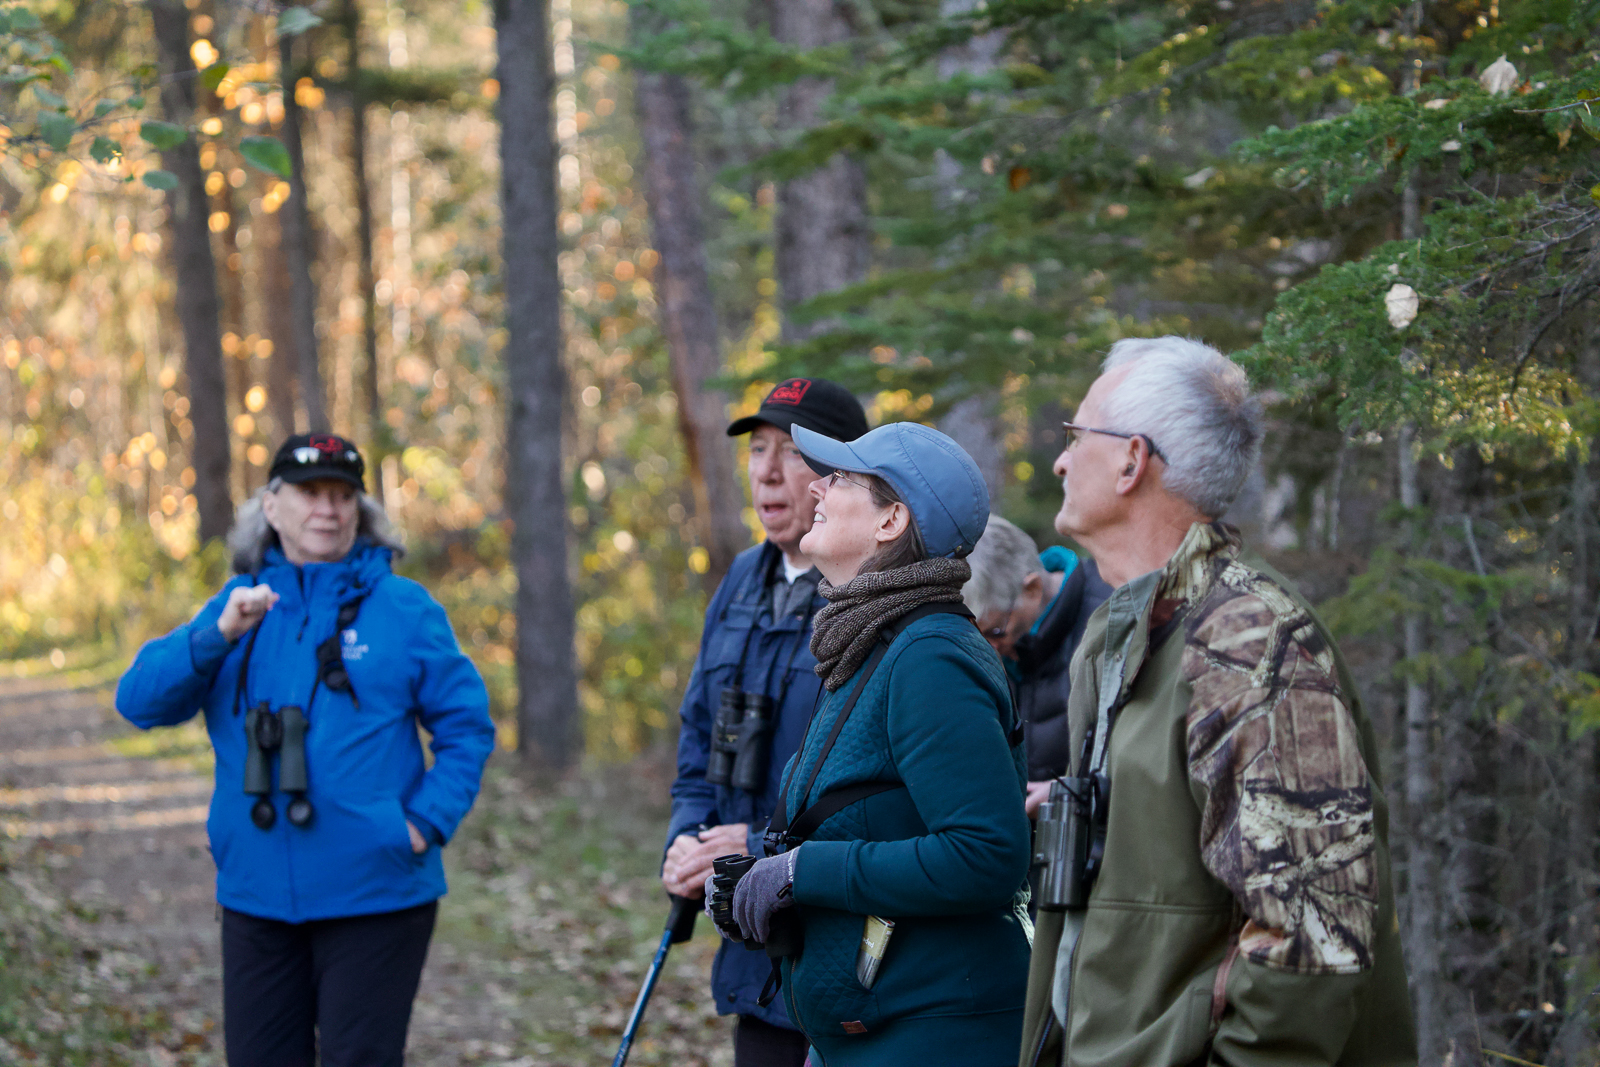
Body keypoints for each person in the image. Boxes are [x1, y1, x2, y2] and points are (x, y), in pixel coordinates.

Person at [1019, 338, 1415, 1066]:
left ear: (1133, 460)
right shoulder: (1124, 632)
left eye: (1076, 437)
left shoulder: (1252, 643)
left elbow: (1312, 940)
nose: (1060, 460)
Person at [116, 434, 496, 1067]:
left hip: (375, 894)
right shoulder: (234, 610)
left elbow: (467, 729)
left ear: (360, 510)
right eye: (310, 493)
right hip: (256, 896)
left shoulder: (405, 610)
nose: (328, 508)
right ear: (271, 506)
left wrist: (423, 824)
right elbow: (139, 702)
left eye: (343, 494)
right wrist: (217, 634)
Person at [718, 421, 1032, 1066]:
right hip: (870, 1033)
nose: (819, 487)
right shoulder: (870, 644)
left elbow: (986, 855)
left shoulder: (930, 655)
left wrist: (804, 873)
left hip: (937, 1037)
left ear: (892, 521)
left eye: (841, 478)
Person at [661, 378, 870, 1066]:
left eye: (791, 451)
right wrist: (688, 840)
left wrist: (754, 840)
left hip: (846, 953)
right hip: (753, 949)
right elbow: (698, 736)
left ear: (842, 474)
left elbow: (879, 787)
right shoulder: (742, 580)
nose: (769, 471)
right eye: (758, 450)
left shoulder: (867, 595)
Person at [962, 516, 1111, 817]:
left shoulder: (1110, 612)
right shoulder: (998, 639)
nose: (986, 651)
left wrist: (1070, 793)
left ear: (1031, 589)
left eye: (994, 632)